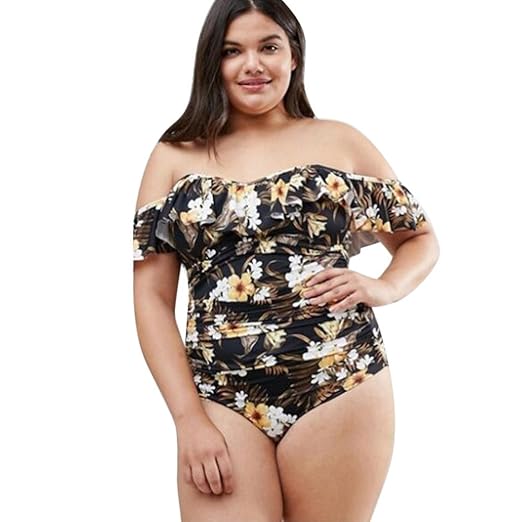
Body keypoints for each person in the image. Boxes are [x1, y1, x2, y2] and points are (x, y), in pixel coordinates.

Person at [132, 1, 440, 520]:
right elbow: (151, 299)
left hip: (340, 378)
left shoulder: (340, 141)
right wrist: (188, 420)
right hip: (220, 395)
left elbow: (420, 238)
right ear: (212, 62)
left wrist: (382, 287)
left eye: (269, 47)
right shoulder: (174, 155)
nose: (252, 64)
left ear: (293, 56)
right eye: (232, 51)